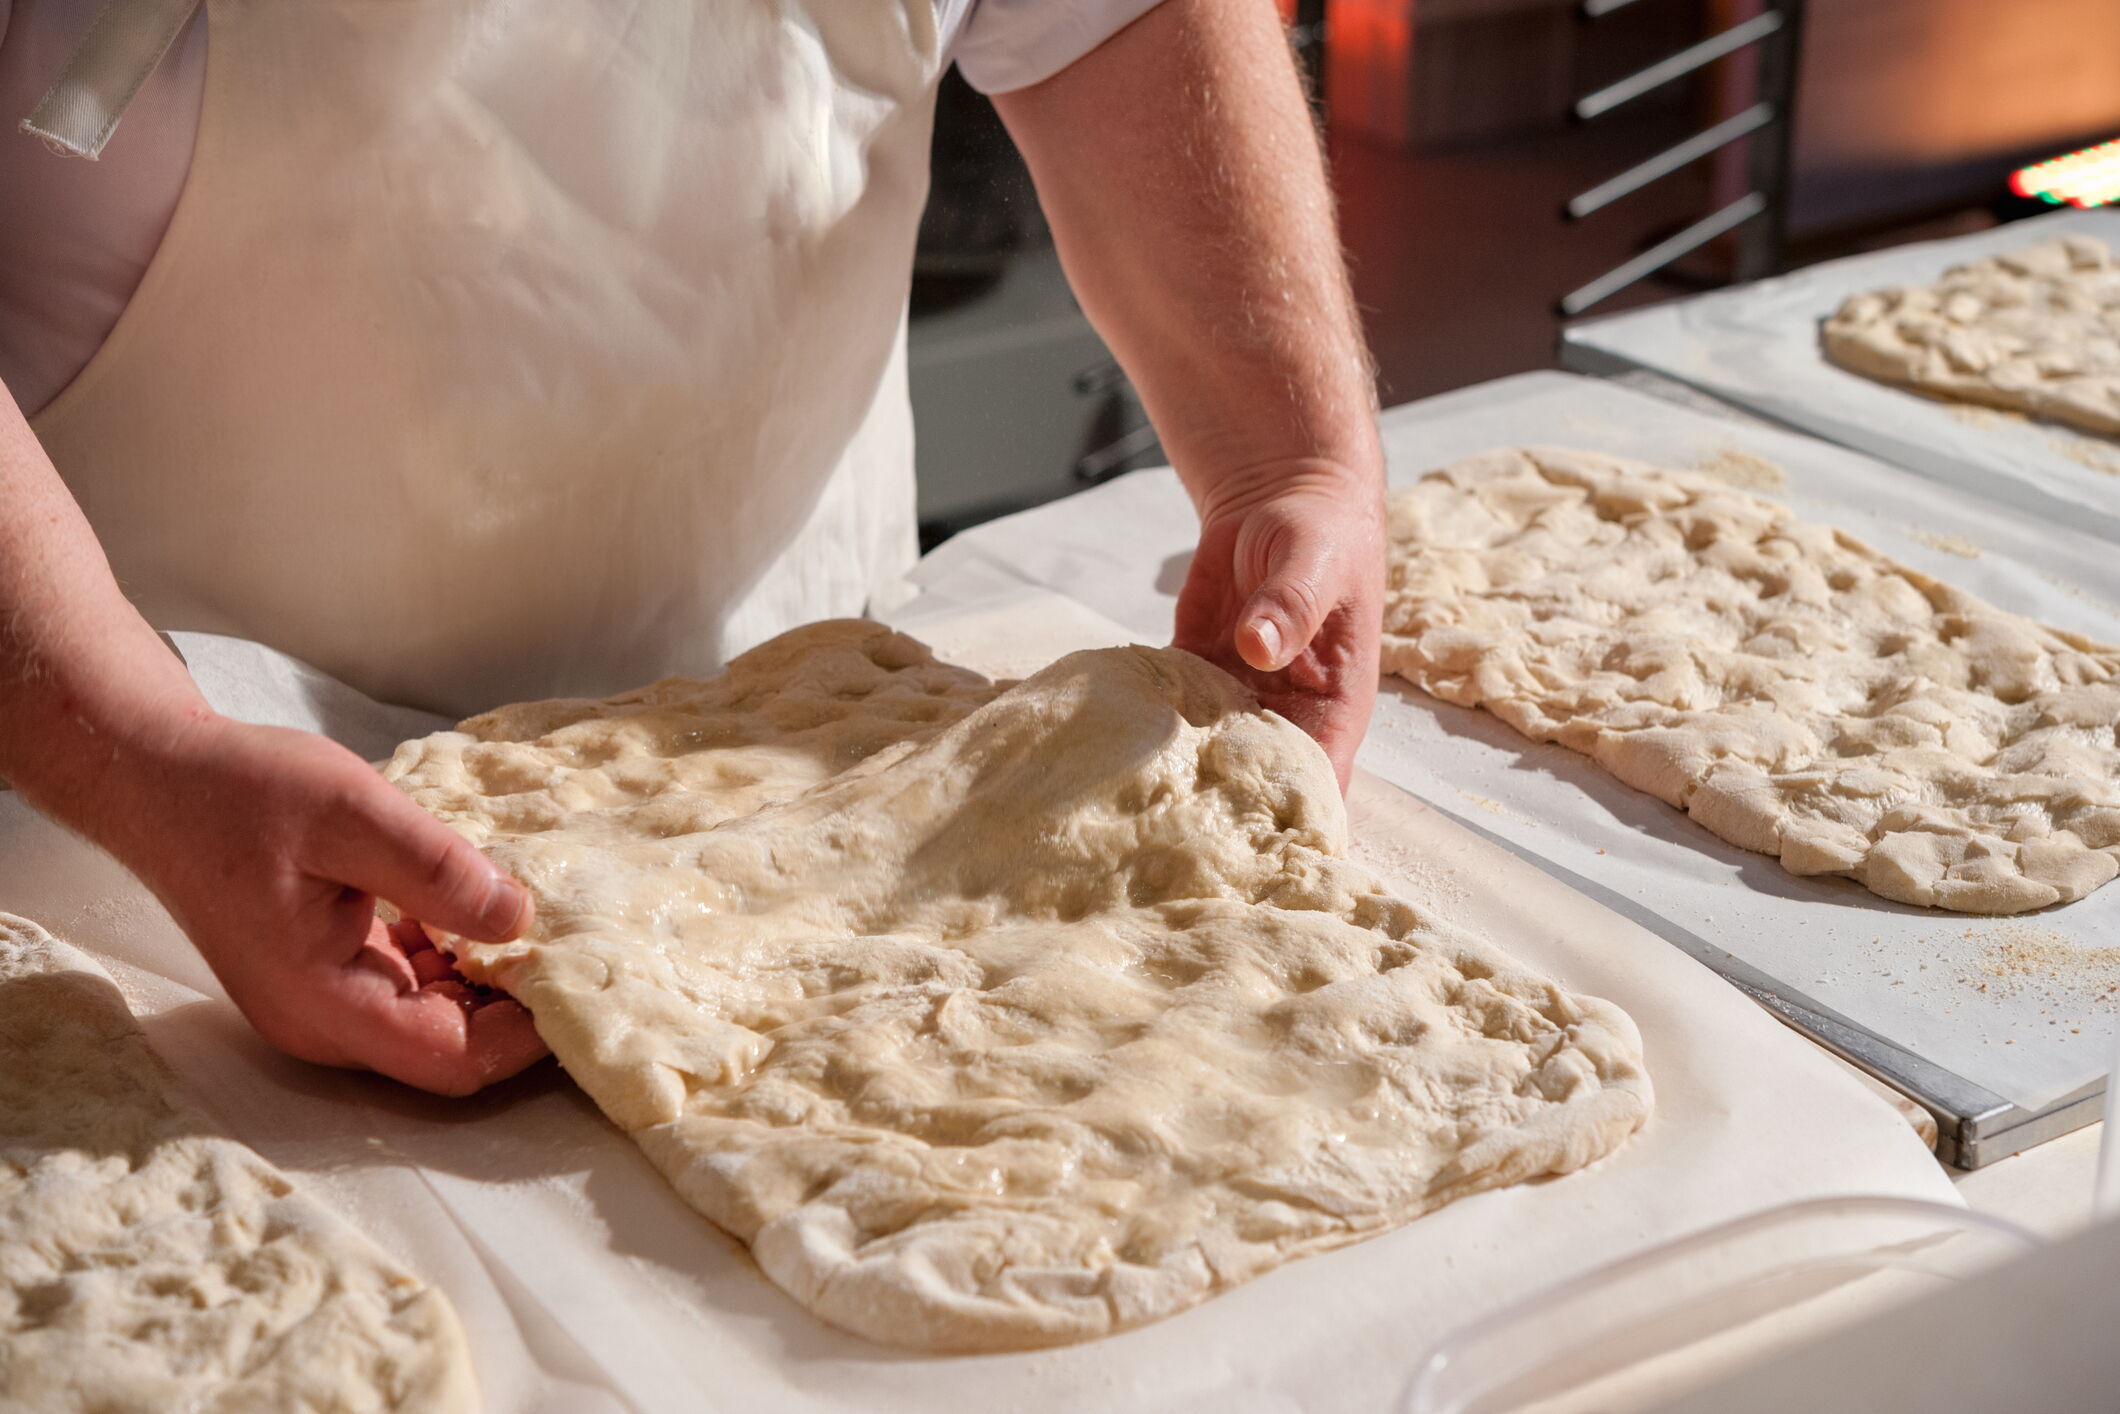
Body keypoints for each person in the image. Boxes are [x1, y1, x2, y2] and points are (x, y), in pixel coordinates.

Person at [0, 0, 1385, 1096]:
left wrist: (1289, 452)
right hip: (123, 834)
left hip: (825, 812)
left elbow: (1118, 15)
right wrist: (131, 747)